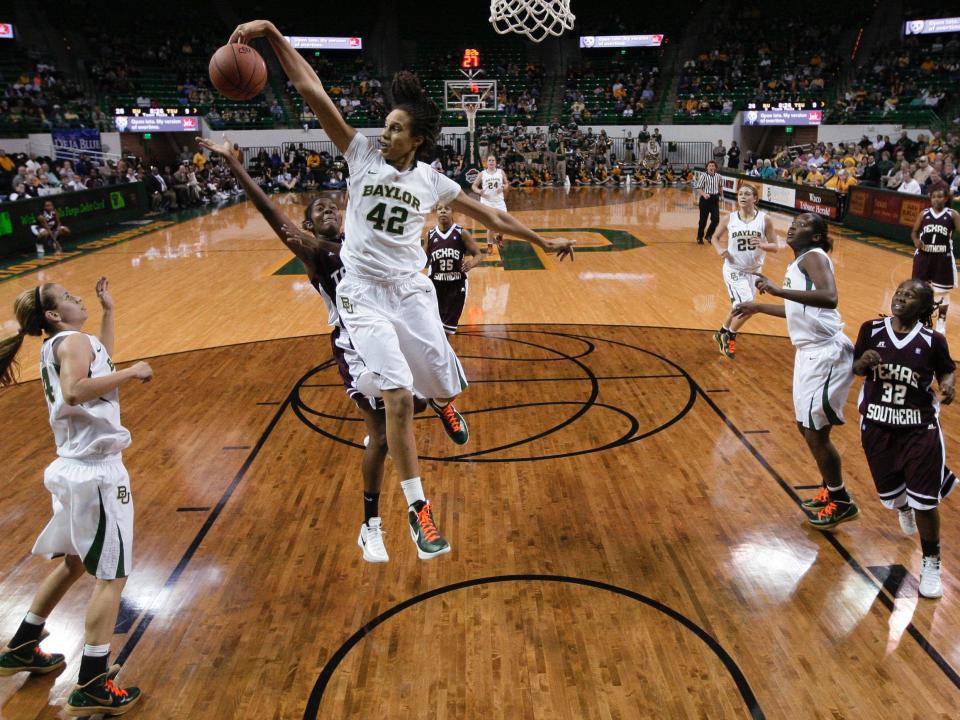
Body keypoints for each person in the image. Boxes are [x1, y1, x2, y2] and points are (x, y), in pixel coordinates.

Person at [230, 19, 574, 561]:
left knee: (437, 376)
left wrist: (543, 239)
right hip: (362, 293)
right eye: (385, 127)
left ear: (416, 140)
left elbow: (491, 217)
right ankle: (420, 511)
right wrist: (272, 34)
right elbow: (310, 90)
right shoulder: (361, 155)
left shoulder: (433, 181)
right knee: (394, 396)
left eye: (394, 129)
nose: (383, 134)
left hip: (411, 290)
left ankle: (445, 400)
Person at [197, 134, 416, 564]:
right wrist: (236, 167)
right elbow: (270, 212)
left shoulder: (361, 243)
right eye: (320, 210)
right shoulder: (316, 251)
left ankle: (439, 401)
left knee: (415, 392)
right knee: (382, 434)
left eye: (333, 205)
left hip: (387, 334)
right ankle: (370, 525)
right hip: (354, 346)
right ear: (310, 227)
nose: (330, 209)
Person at [0, 278, 152, 714]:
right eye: (68, 297)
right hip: (97, 475)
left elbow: (94, 366)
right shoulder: (72, 344)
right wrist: (134, 371)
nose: (78, 297)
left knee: (74, 562)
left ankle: (24, 643)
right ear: (52, 315)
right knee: (112, 575)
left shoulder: (68, 343)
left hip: (72, 468)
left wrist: (108, 311)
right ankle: (93, 683)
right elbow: (76, 389)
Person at [733, 213, 860, 529]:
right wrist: (759, 306)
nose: (793, 225)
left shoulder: (814, 257)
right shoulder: (798, 263)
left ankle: (841, 500)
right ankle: (830, 489)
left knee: (816, 433)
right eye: (794, 222)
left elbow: (829, 298)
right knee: (806, 429)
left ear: (816, 237)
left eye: (803, 224)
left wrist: (776, 292)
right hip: (808, 353)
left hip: (827, 353)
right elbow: (798, 309)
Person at [852, 279, 956, 597]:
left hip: (918, 429)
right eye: (899, 292)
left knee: (925, 502)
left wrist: (949, 385)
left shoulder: (933, 340)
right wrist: (862, 364)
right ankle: (902, 506)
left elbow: (947, 370)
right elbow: (856, 367)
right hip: (877, 426)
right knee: (893, 495)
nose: (901, 298)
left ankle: (931, 562)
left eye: (910, 296)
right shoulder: (871, 329)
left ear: (924, 309)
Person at [710, 184, 780, 359]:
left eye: (747, 194)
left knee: (741, 306)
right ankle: (729, 336)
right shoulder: (729, 218)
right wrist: (719, 249)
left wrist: (763, 245)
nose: (742, 196)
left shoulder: (765, 219)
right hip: (734, 269)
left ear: (755, 198)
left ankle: (722, 332)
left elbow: (775, 246)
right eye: (740, 194)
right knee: (748, 304)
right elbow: (714, 237)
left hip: (754, 272)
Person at [425, 204, 481, 335]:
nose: (443, 211)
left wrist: (471, 264)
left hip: (456, 285)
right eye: (440, 209)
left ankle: (445, 354)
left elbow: (478, 255)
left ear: (453, 212)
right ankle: (442, 354)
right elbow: (422, 258)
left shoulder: (461, 233)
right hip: (435, 285)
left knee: (447, 330)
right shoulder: (430, 235)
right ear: (436, 212)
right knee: (435, 327)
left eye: (447, 208)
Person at [911, 186, 960, 332]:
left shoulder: (952, 214)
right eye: (933, 197)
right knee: (920, 289)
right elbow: (914, 232)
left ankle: (941, 320)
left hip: (942, 258)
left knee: (941, 292)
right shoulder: (924, 214)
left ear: (945, 199)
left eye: (939, 196)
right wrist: (916, 241)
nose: (936, 199)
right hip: (923, 257)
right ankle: (920, 318)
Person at [471, 154, 509, 253]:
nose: (491, 162)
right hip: (487, 202)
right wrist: (479, 191)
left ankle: (500, 237)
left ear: (496, 162)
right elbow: (474, 186)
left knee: (504, 223)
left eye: (493, 160)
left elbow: (506, 183)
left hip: (499, 201)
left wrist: (504, 187)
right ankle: (490, 245)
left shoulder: (501, 172)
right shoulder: (482, 174)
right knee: (491, 225)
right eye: (489, 160)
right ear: (486, 163)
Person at [693, 160, 722, 245]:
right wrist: (704, 194)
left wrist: (722, 196)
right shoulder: (703, 176)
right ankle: (699, 237)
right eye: (710, 166)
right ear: (707, 167)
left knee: (716, 219)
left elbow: (720, 187)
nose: (712, 167)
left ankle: (709, 235)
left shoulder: (719, 176)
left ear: (715, 168)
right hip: (705, 200)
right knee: (703, 220)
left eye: (713, 166)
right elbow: (698, 187)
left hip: (715, 199)